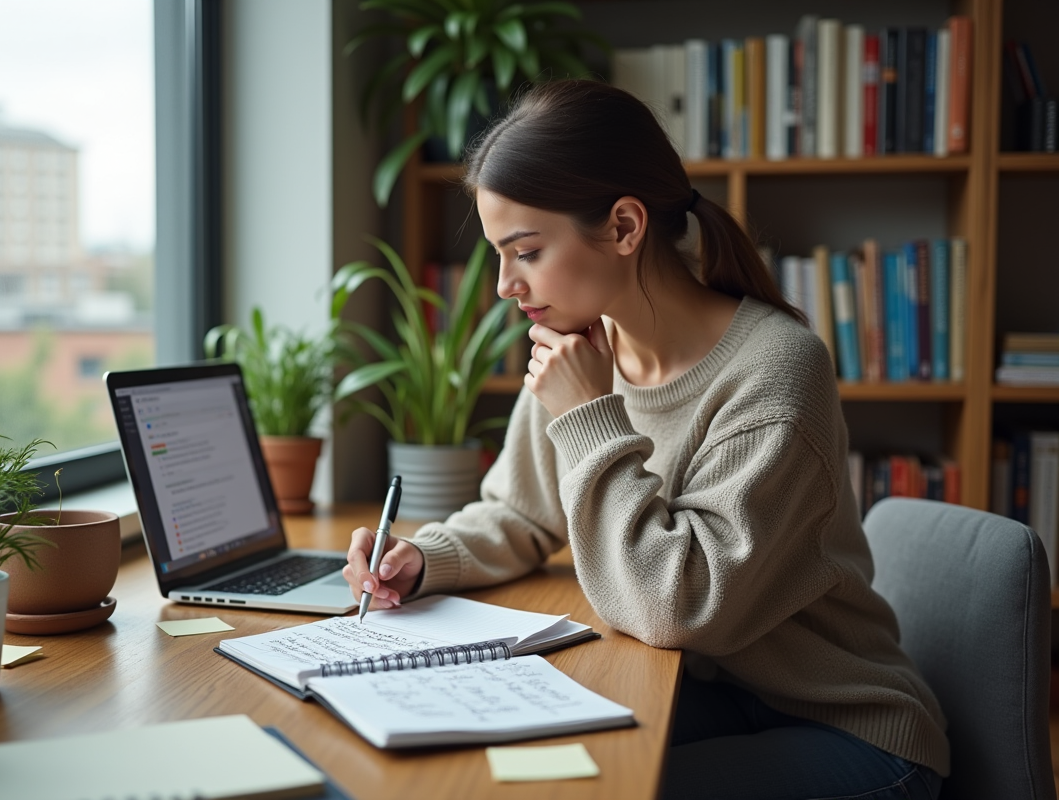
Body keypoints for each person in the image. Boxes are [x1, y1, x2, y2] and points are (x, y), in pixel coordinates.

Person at [341, 79, 948, 800]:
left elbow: (680, 605)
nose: (505, 285)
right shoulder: (584, 351)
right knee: (494, 768)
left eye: (525, 251)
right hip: (713, 692)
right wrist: (424, 557)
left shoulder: (776, 371)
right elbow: (524, 512)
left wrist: (590, 416)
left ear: (625, 227)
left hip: (846, 726)